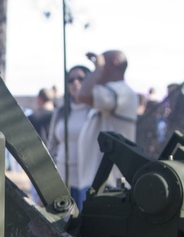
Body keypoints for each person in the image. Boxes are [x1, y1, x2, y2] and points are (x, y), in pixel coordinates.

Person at [75, 49, 139, 195]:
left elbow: (82, 95)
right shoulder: (110, 91)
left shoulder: (123, 91)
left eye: (103, 63)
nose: (96, 69)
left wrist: (99, 69)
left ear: (114, 63)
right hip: (96, 181)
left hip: (109, 183)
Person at [46, 65, 92, 209]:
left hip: (88, 180)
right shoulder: (61, 111)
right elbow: (52, 143)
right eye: (71, 80)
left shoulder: (96, 112)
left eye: (81, 78)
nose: (75, 83)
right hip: (62, 179)